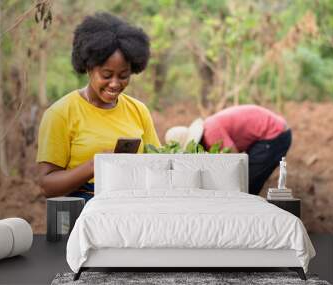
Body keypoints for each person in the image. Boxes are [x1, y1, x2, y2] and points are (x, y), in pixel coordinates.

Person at [36, 13, 161, 202]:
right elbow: (47, 185)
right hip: (83, 212)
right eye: (106, 75)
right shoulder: (61, 113)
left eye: (123, 76)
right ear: (88, 68)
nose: (114, 84)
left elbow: (156, 162)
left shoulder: (138, 110)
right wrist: (96, 165)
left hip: (132, 206)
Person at [165, 105, 291, 195]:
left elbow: (236, 161)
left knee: (244, 184)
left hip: (275, 134)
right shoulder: (209, 127)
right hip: (269, 133)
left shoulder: (211, 134)